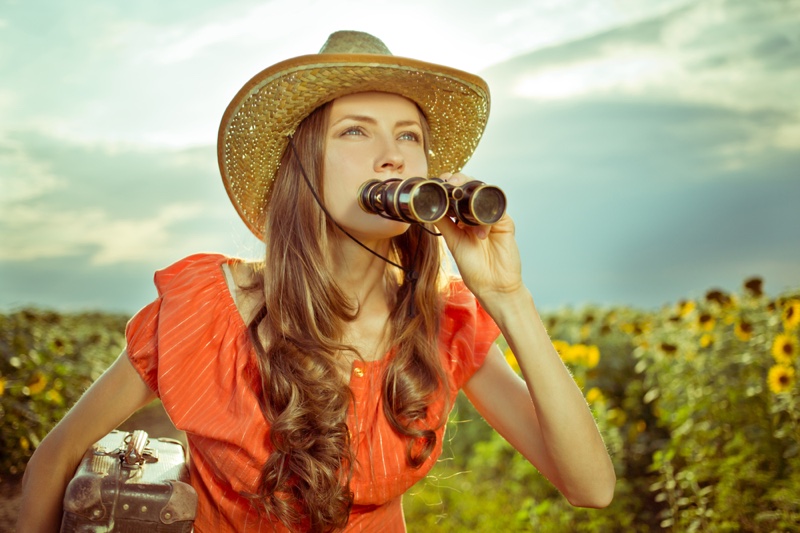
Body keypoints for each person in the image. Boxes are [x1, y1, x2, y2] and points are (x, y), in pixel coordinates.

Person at [16, 30, 615, 532]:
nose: (393, 156)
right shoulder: (209, 309)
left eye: (409, 135)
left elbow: (590, 486)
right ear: (303, 169)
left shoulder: (444, 319)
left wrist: (508, 298)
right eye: (356, 131)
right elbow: (56, 459)